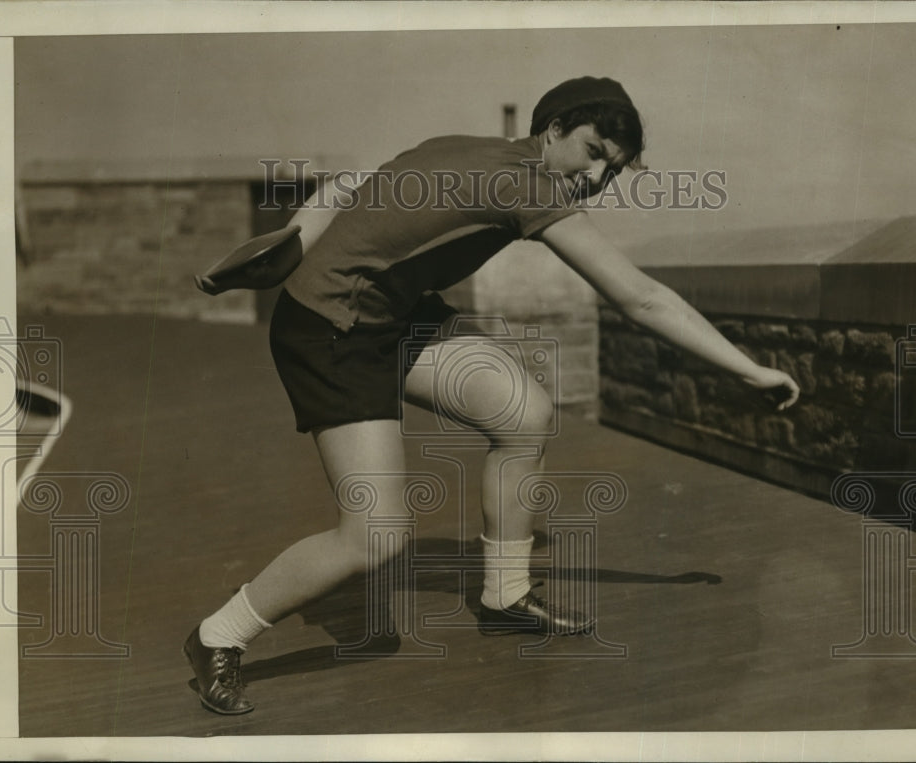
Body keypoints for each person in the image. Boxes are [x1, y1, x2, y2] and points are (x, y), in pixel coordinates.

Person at [184, 76, 800, 715]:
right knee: (375, 535)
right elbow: (639, 297)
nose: (596, 178)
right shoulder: (528, 187)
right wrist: (748, 369)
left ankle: (505, 597)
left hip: (393, 316)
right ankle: (217, 637)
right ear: (553, 129)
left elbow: (344, 185)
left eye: (612, 170)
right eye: (592, 152)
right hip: (331, 331)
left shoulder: (462, 147)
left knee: (524, 414)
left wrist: (301, 232)